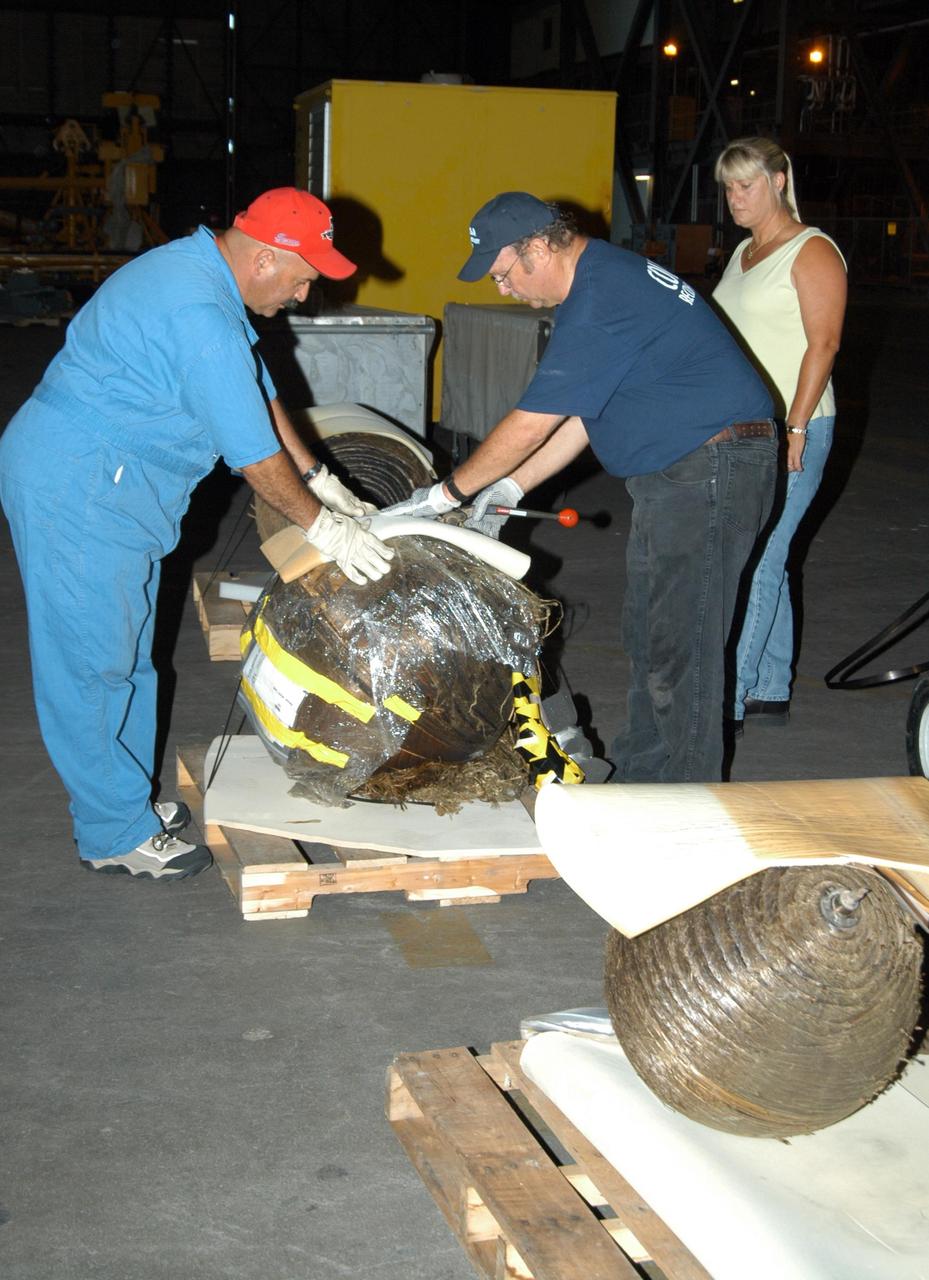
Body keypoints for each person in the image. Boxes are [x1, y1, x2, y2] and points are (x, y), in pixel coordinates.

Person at [0, 187, 393, 881]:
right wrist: (323, 526)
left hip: (114, 481)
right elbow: (253, 456)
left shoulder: (201, 271)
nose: (303, 295)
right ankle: (113, 832)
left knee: (128, 654)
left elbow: (259, 392)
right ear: (265, 259)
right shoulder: (198, 314)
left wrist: (319, 474)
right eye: (302, 278)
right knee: (92, 663)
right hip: (83, 485)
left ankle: (123, 798)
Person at [384, 191, 778, 783]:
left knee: (683, 646)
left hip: (712, 466)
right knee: (649, 636)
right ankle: (644, 784)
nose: (503, 290)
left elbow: (533, 422)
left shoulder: (602, 295)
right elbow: (582, 415)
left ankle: (685, 804)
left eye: (504, 274)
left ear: (539, 248)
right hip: (683, 471)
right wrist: (511, 487)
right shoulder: (599, 284)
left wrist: (446, 495)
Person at [713, 138, 847, 730]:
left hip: (798, 425)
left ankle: (730, 699)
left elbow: (825, 343)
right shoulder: (744, 252)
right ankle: (769, 687)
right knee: (770, 553)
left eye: (745, 184)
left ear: (778, 180)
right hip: (747, 426)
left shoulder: (811, 250)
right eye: (727, 187)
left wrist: (794, 425)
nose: (734, 197)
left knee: (757, 557)